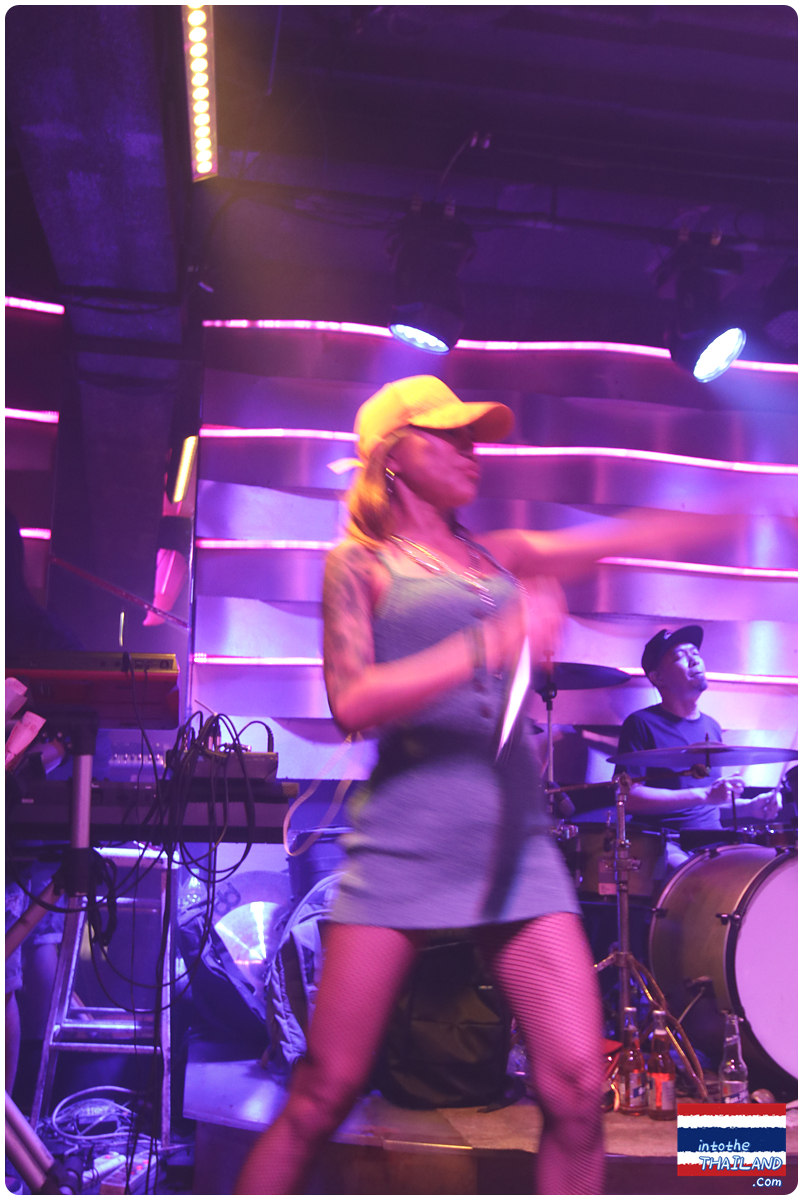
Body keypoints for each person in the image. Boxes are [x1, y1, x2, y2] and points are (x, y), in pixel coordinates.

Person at [235, 375, 740, 1196]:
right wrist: (492, 641)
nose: (471, 450)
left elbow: (609, 540)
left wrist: (726, 514)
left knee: (574, 1089)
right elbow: (352, 701)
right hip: (407, 843)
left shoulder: (494, 557)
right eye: (448, 436)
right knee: (324, 1091)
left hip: (514, 848)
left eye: (473, 437)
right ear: (392, 455)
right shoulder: (359, 564)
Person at [613, 626, 780, 845]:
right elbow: (628, 797)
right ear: (658, 677)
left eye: (695, 653)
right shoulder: (641, 724)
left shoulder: (712, 727)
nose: (694, 661)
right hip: (667, 843)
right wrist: (706, 794)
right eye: (680, 657)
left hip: (714, 842)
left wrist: (750, 807)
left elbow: (706, 805)